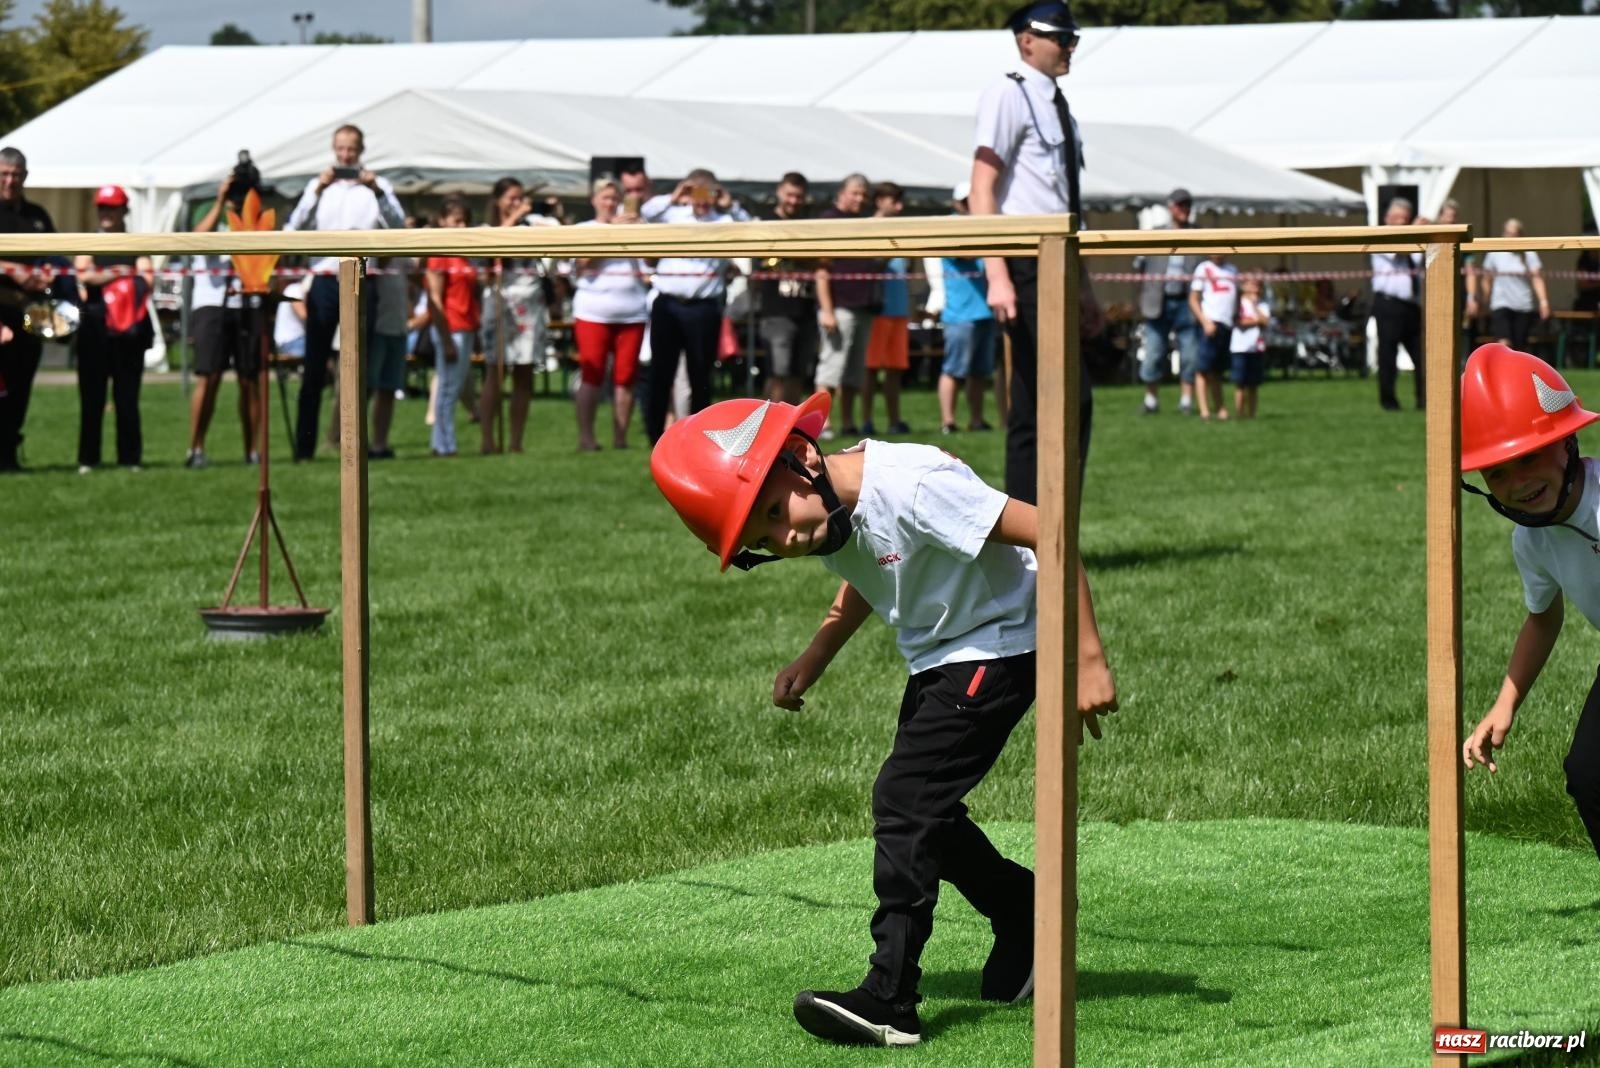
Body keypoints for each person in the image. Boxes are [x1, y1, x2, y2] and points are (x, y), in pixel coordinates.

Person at [649, 392, 1118, 1048]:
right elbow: (867, 569)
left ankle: (889, 998)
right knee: (926, 811)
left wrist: (1087, 659)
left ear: (802, 457)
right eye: (762, 543)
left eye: (774, 515)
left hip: (1004, 640)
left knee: (903, 802)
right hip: (943, 654)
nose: (785, 540)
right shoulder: (831, 509)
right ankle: (1023, 910)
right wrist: (815, 655)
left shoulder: (913, 486)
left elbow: (1051, 531)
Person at [1460, 344, 1600, 864]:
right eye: (1497, 473)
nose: (1518, 484)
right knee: (1588, 774)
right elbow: (1543, 618)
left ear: (1566, 443)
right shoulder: (1532, 541)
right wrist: (1505, 703)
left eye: (1528, 458)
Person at [970, 0, 1101, 504]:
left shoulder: (1057, 104)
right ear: (1027, 40)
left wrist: (1084, 288)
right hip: (1024, 263)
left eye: (1073, 38)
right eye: (1060, 37)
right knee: (1059, 401)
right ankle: (1039, 533)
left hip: (1059, 262)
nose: (1070, 45)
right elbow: (983, 188)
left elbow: (1065, 202)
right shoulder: (1010, 93)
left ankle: (1043, 534)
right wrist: (996, 274)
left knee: (1044, 402)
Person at [283, 124, 405, 461]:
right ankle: (304, 448)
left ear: (361, 150)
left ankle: (352, 443)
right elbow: (294, 226)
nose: (345, 155)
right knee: (314, 366)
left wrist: (376, 190)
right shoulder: (318, 187)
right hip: (324, 279)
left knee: (358, 367)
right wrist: (318, 190)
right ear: (334, 149)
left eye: (351, 149)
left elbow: (398, 226)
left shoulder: (378, 187)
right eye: (340, 149)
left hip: (365, 279)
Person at [642, 171, 741, 445]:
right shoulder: (674, 214)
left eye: (707, 194)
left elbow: (750, 228)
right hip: (669, 304)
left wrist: (728, 202)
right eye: (696, 193)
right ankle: (654, 436)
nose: (702, 201)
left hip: (703, 308)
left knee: (701, 374)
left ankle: (699, 437)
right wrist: (674, 196)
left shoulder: (723, 220)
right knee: (661, 372)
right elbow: (646, 213)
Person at [73, 184, 154, 473]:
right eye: (102, 207)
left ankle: (130, 458)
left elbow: (147, 279)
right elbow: (83, 277)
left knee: (127, 397)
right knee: (92, 397)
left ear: (124, 210)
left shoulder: (135, 243)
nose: (106, 213)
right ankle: (88, 458)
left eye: (112, 207)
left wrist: (103, 276)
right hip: (95, 326)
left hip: (130, 329)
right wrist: (120, 273)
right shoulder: (90, 241)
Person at [479, 177, 558, 454]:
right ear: (498, 200)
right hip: (501, 304)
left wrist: (550, 212)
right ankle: (488, 439)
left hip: (530, 304)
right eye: (511, 197)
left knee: (524, 374)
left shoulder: (531, 226)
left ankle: (515, 442)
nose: (517, 202)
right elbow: (490, 255)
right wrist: (514, 217)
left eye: (520, 197)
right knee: (495, 373)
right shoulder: (488, 229)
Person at [570, 176, 648, 452]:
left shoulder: (633, 226)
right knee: (592, 375)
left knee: (626, 378)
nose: (611, 203)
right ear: (594, 200)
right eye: (606, 197)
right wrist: (610, 231)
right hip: (593, 312)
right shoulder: (585, 229)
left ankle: (620, 438)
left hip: (632, 313)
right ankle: (586, 438)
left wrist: (643, 233)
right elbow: (582, 262)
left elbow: (652, 263)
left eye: (615, 198)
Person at [185, 174, 258, 469]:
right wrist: (220, 202)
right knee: (209, 375)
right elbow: (198, 238)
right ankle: (196, 448)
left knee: (249, 379)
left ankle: (252, 450)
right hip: (211, 300)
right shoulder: (208, 208)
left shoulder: (254, 209)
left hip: (246, 298)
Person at [924, 182, 999, 436]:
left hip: (984, 312)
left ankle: (977, 420)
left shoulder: (984, 224)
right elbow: (967, 254)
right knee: (954, 370)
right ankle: (948, 421)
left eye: (974, 199)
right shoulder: (952, 226)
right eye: (966, 201)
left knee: (979, 372)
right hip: (959, 314)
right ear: (958, 204)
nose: (971, 205)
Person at [0, 146, 58, 473]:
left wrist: (47, 273)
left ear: (25, 177)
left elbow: (56, 256)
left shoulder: (36, 216)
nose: (10, 181)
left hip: (29, 315)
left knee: (21, 384)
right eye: (4, 174)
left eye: (16, 175)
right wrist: (12, 269)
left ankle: (9, 452)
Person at [814, 174, 880, 438]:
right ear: (841, 193)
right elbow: (821, 267)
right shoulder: (830, 220)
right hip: (839, 307)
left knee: (854, 373)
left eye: (864, 194)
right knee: (831, 368)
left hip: (863, 306)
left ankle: (848, 422)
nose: (860, 198)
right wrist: (827, 309)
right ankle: (823, 423)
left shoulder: (862, 223)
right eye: (855, 193)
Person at [1133, 188, 1201, 416]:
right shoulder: (1155, 233)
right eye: (1181, 205)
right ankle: (1151, 400)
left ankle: (1186, 401)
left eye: (1188, 205)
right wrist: (1141, 297)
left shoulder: (1198, 234)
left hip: (1187, 302)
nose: (1185, 210)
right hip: (1157, 302)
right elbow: (1139, 267)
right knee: (1153, 353)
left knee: (1190, 355)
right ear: (1170, 207)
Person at [423, 197, 480, 458]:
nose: (462, 225)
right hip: (450, 328)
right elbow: (435, 298)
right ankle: (444, 444)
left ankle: (443, 442)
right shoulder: (439, 255)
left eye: (465, 221)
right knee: (446, 388)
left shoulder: (465, 253)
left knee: (454, 388)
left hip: (467, 326)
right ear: (443, 221)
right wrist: (445, 338)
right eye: (457, 220)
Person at [756, 171, 817, 405]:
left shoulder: (807, 225)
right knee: (778, 373)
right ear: (779, 193)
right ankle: (767, 427)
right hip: (776, 312)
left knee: (798, 374)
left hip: (805, 309)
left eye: (799, 196)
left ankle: (790, 428)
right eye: (790, 195)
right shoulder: (765, 222)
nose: (794, 201)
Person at [860, 183, 911, 437]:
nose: (899, 207)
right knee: (870, 369)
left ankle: (894, 420)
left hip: (899, 309)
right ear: (879, 200)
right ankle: (866, 420)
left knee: (894, 370)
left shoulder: (902, 228)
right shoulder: (867, 227)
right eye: (894, 201)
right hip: (876, 310)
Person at [1370, 195, 1424, 412]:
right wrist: (1414, 230)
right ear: (1387, 218)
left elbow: (1421, 259)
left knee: (1422, 356)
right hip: (1388, 304)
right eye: (1398, 218)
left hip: (1411, 306)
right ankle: (1389, 401)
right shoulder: (1381, 236)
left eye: (1406, 218)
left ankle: (1425, 400)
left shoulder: (1415, 239)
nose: (1402, 222)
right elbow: (1400, 250)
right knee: (1387, 355)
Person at [1481, 218, 1551, 356]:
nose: (1510, 237)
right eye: (1507, 233)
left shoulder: (1529, 253)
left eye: (1514, 234)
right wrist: (1485, 300)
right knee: (1504, 344)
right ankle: (1501, 375)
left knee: (1519, 349)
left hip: (1523, 305)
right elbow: (1486, 279)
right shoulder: (1494, 252)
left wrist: (1544, 302)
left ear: (1520, 235)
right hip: (1500, 304)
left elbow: (1537, 279)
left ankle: (1515, 375)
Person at [367, 255, 413, 459]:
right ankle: (350, 442)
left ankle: (380, 444)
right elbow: (375, 267)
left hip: (398, 326)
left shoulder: (402, 252)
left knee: (388, 388)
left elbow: (417, 269)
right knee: (364, 389)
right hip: (375, 327)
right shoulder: (374, 251)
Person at [1188, 253, 1238, 422]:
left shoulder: (1232, 269)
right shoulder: (1203, 268)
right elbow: (1193, 299)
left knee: (1217, 371)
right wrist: (1205, 322)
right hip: (1209, 323)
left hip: (1226, 324)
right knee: (1203, 369)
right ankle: (1204, 411)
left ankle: (1220, 408)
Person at [1229, 273, 1269, 420]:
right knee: (1240, 383)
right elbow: (1239, 322)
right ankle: (1239, 414)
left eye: (1257, 285)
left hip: (1256, 347)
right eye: (1251, 284)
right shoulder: (1237, 303)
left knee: (1253, 385)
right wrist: (1255, 321)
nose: (1255, 288)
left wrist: (1254, 306)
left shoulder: (1262, 304)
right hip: (1239, 348)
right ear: (1243, 286)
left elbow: (1265, 321)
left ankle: (1252, 415)